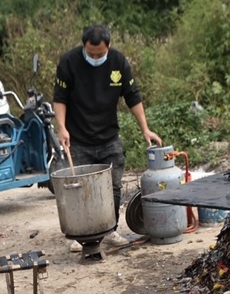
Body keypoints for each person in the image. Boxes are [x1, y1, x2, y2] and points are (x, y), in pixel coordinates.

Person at [54, 24, 163, 252]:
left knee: (112, 187)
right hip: (79, 139)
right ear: (84, 46)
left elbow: (132, 96)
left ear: (109, 46)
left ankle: (110, 230)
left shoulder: (118, 62)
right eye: (91, 54)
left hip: (109, 137)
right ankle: (81, 234)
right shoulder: (69, 62)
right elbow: (60, 98)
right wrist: (62, 127)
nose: (95, 58)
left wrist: (145, 128)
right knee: (80, 188)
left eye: (100, 54)